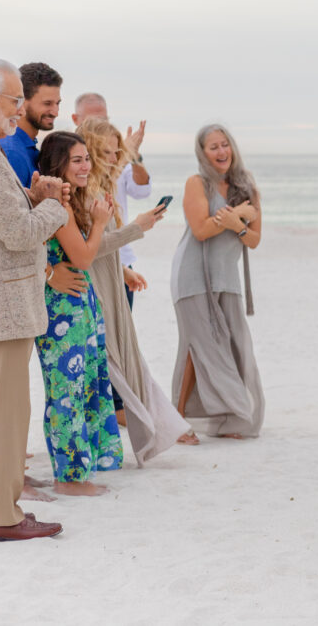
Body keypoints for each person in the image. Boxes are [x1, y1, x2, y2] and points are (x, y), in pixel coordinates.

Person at [77, 118, 190, 462]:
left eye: (116, 152)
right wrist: (136, 228)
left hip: (109, 282)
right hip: (91, 291)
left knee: (123, 362)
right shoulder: (85, 193)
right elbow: (85, 249)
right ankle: (146, 432)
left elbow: (96, 247)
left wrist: (122, 269)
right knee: (112, 365)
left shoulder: (101, 187)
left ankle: (152, 431)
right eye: (106, 152)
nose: (113, 158)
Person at [0, 59, 67, 539]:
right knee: (8, 412)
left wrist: (31, 196)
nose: (18, 107)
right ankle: (4, 515)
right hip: (7, 304)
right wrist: (55, 206)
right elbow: (17, 232)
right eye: (14, 98)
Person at [34, 131, 123, 495]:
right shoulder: (58, 207)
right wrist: (101, 222)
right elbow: (84, 258)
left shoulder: (70, 201)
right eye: (77, 160)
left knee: (87, 384)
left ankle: (85, 465)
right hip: (61, 312)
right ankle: (68, 478)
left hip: (79, 304)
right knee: (66, 389)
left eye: (87, 158)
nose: (86, 166)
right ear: (59, 165)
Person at [170, 124, 263, 443]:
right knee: (197, 346)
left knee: (236, 345)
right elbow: (200, 230)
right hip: (192, 275)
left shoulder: (247, 186)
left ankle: (230, 417)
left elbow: (253, 240)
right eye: (213, 147)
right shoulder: (197, 183)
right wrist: (237, 215)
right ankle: (176, 421)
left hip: (228, 277)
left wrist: (236, 224)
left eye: (225, 145)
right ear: (202, 153)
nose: (221, 152)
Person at [73, 92, 152, 308]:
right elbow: (97, 183)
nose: (100, 124)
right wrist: (138, 226)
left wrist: (133, 156)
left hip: (120, 258)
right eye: (93, 119)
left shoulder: (115, 156)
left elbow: (141, 190)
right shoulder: (74, 166)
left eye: (104, 119)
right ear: (75, 119)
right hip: (93, 264)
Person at [1, 62, 62, 188]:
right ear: (21, 102)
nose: (55, 112)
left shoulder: (28, 147)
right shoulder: (12, 153)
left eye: (58, 103)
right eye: (47, 103)